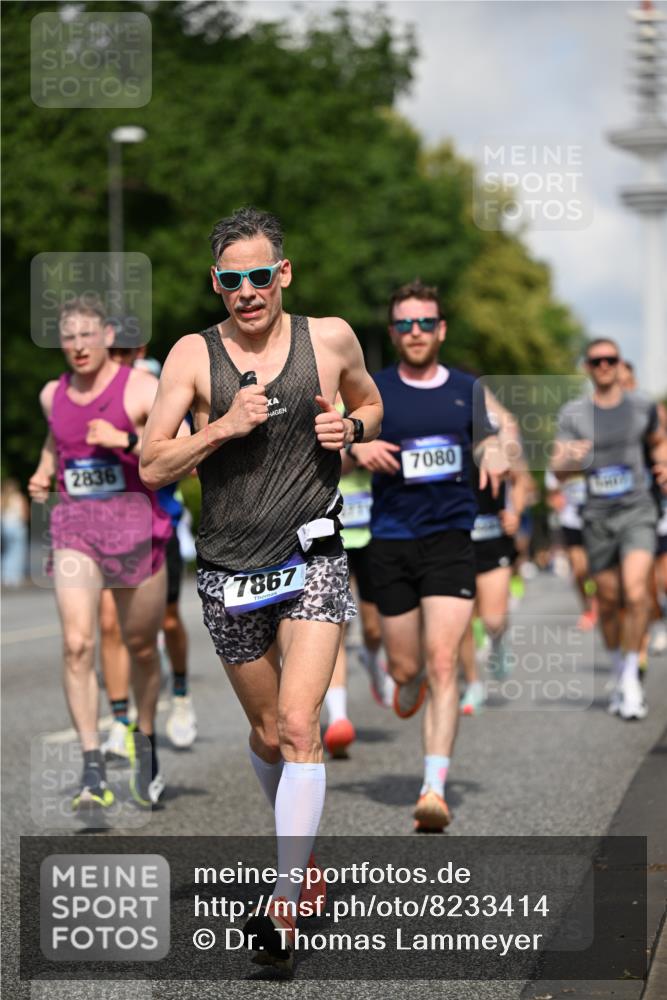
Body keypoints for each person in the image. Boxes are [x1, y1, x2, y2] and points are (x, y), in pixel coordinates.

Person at [139, 206, 382, 970]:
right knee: (270, 733)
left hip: (312, 550)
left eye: (259, 276)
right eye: (231, 280)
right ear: (216, 284)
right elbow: (150, 464)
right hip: (229, 567)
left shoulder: (330, 337)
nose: (247, 291)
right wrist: (218, 430)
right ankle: (301, 859)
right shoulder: (189, 356)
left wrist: (354, 429)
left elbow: (370, 402)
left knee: (302, 726)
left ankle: (282, 902)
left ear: (283, 274)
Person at [350, 279, 508, 832]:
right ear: (393, 332)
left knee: (444, 662)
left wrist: (493, 454)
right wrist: (358, 444)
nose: (415, 332)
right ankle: (404, 680)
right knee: (406, 667)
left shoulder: (468, 389)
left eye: (425, 323)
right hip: (391, 540)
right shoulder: (375, 389)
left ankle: (433, 788)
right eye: (404, 324)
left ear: (440, 330)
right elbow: (342, 446)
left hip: (449, 539)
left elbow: (488, 439)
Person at [28, 297, 175, 809]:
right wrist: (47, 469)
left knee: (139, 645)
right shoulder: (54, 393)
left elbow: (177, 457)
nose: (77, 346)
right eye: (68, 337)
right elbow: (58, 437)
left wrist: (125, 440)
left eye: (86, 335)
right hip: (75, 529)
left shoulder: (142, 387)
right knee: (77, 643)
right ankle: (93, 768)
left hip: (136, 529)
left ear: (108, 333)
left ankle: (147, 738)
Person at [551, 338, 667, 721]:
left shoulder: (642, 406)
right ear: (587, 366)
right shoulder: (574, 413)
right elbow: (557, 470)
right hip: (596, 515)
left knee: (636, 592)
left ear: (619, 365)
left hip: (637, 509)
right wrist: (570, 460)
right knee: (610, 599)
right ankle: (619, 667)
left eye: (610, 360)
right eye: (596, 360)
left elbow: (659, 443)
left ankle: (632, 678)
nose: (603, 366)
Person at [100, 343, 197, 754]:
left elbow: (185, 453)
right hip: (111, 528)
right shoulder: (95, 391)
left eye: (123, 347)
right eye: (111, 348)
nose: (115, 354)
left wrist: (122, 438)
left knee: (169, 622)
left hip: (160, 523)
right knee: (110, 625)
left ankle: (180, 695)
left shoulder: (154, 385)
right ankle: (121, 722)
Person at [1, 479, 28, 587]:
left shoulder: (3, 498)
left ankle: (6, 576)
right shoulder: (19, 498)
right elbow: (24, 514)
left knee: (6, 552)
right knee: (18, 551)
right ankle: (15, 576)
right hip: (17, 526)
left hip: (5, 527)